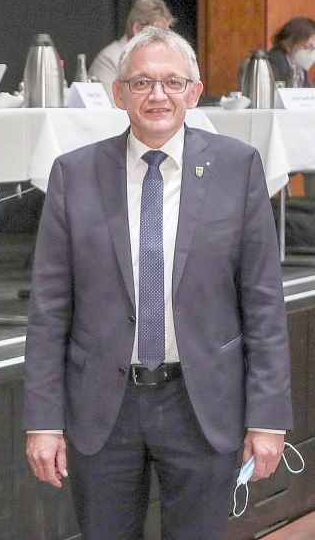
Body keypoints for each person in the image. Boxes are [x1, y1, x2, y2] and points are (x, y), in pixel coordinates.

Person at [23, 27, 292, 539]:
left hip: (203, 406)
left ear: (194, 91)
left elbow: (263, 304)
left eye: (172, 82)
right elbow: (49, 310)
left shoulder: (238, 168)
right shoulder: (74, 174)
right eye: (142, 83)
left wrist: (268, 417)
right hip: (102, 408)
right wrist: (42, 420)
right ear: (119, 93)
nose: (158, 96)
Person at [90, 0, 174, 103]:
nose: (164, 40)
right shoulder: (109, 60)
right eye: (158, 33)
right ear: (138, 29)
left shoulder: (163, 59)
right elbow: (111, 112)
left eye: (166, 33)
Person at [264, 17, 315, 87]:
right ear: (289, 43)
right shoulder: (275, 62)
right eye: (308, 47)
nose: (312, 53)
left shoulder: (300, 68)